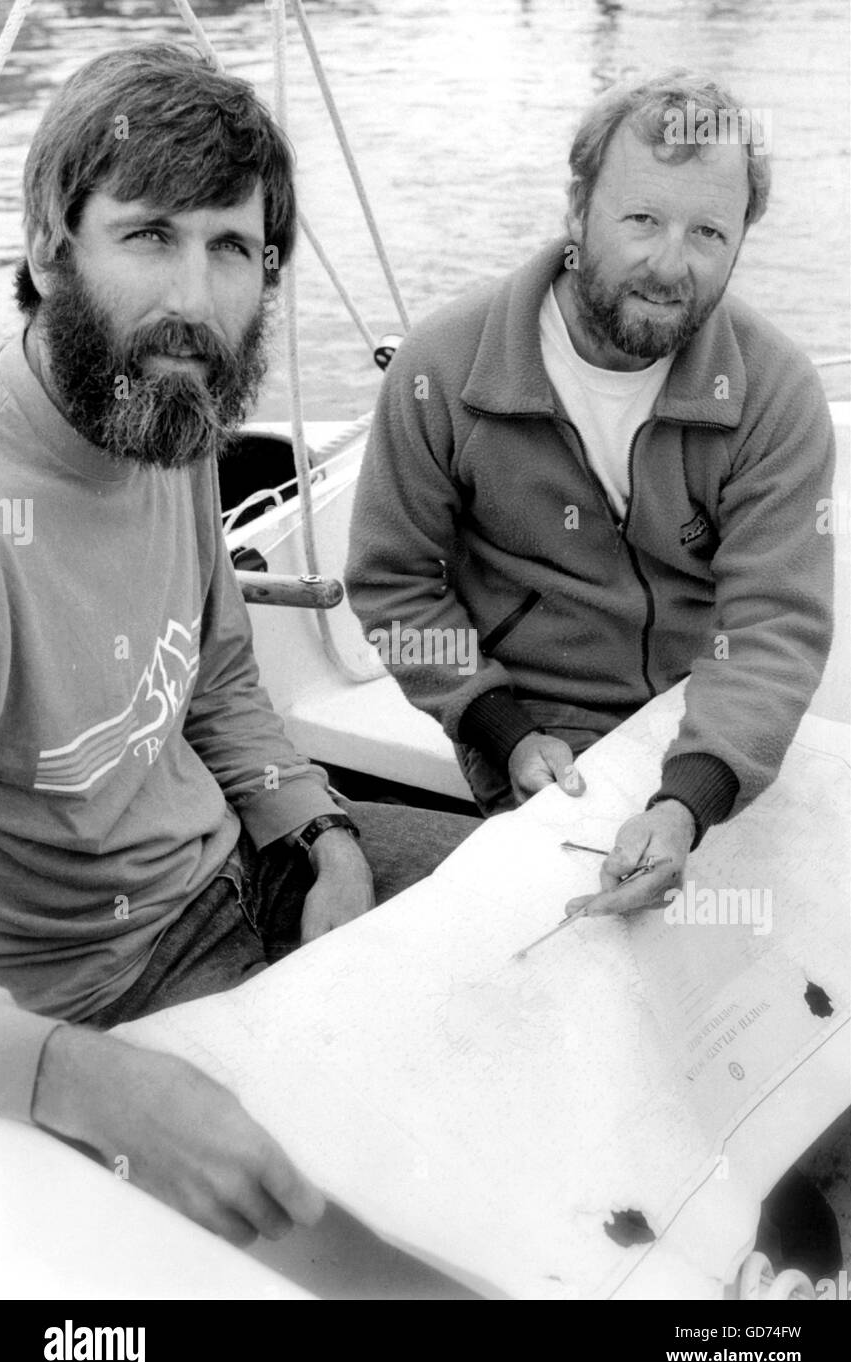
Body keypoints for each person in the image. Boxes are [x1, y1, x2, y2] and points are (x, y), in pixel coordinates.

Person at [0, 43, 476, 1248]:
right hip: (93, 999)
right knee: (371, 1231)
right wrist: (79, 1081)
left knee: (548, 910)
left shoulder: (169, 410)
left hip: (241, 871)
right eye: (149, 234)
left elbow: (212, 674)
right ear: (53, 246)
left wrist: (316, 834)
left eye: (231, 248)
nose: (195, 298)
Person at [345, 71, 835, 923]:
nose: (668, 264)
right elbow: (395, 582)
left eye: (708, 232)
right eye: (640, 219)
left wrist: (688, 796)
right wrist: (497, 726)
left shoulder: (773, 390)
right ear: (577, 210)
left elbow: (771, 626)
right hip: (536, 723)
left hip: (707, 710)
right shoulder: (441, 369)